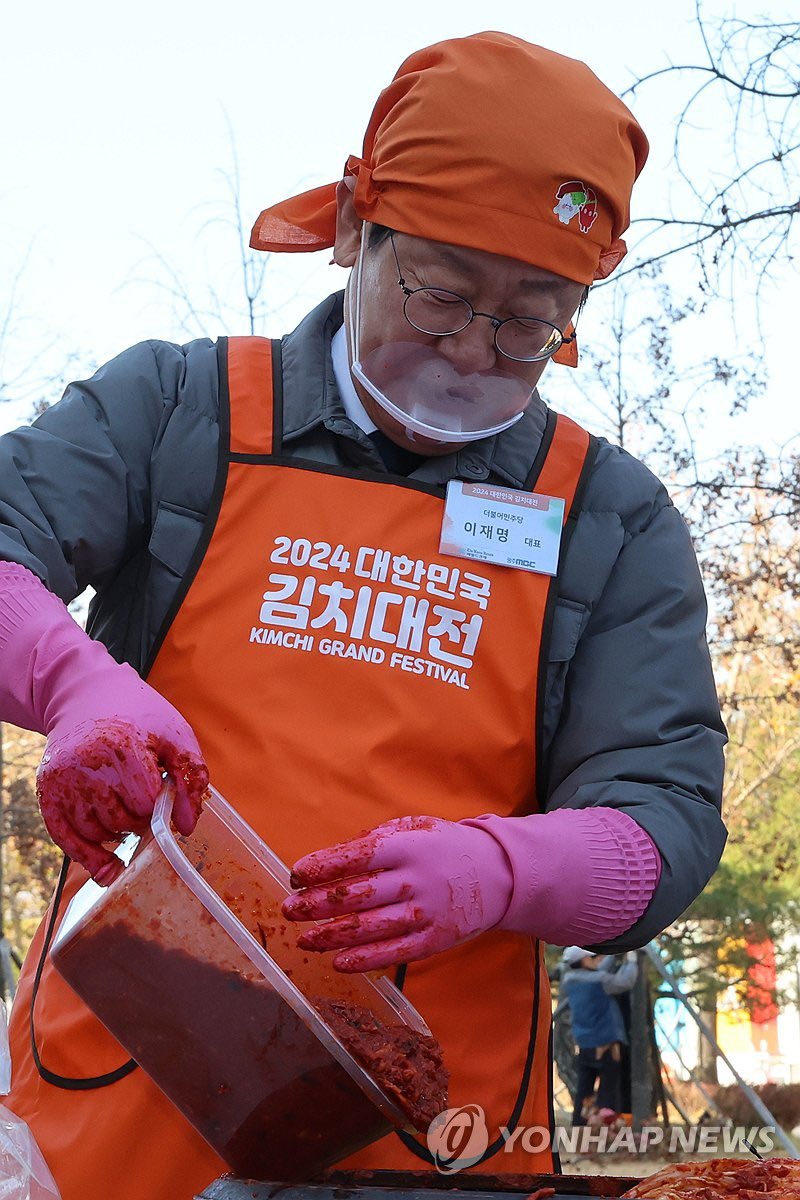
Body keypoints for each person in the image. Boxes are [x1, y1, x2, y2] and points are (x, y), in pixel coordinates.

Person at [0, 31, 726, 1200]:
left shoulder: (608, 517)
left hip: (429, 1146)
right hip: (125, 1103)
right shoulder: (179, 410)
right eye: (440, 294)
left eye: (527, 322)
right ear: (352, 228)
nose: (471, 354)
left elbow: (667, 817)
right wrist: (76, 685)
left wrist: (499, 870)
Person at [560, 947, 639, 1128]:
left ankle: (580, 1127)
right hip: (606, 1043)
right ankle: (605, 1129)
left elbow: (598, 970)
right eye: (593, 957)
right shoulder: (600, 981)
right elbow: (625, 981)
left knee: (584, 1090)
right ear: (586, 960)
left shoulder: (570, 981)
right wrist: (632, 960)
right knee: (608, 1092)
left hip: (585, 1043)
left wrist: (612, 954)